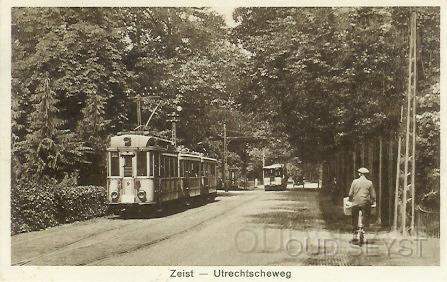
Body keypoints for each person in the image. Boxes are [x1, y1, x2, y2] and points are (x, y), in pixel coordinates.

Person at [348, 167, 376, 242]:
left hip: (356, 203)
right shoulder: (369, 183)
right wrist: (372, 201)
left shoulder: (354, 182)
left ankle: (354, 234)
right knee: (366, 216)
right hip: (365, 203)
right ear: (366, 175)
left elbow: (350, 194)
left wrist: (350, 200)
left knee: (354, 217)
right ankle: (365, 232)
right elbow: (373, 195)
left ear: (359, 174)